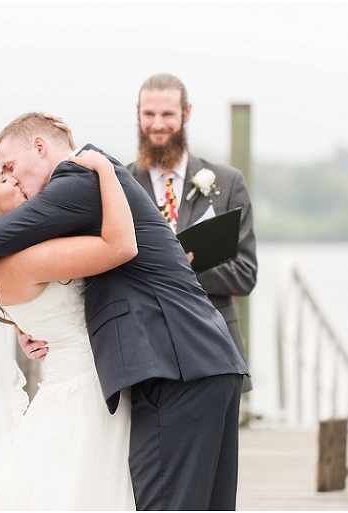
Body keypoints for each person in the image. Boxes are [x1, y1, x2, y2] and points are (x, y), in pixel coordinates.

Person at [0, 113, 249, 510]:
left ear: (40, 147)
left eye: (10, 166)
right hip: (197, 362)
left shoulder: (80, 179)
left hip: (178, 369)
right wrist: (33, 323)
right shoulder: (82, 180)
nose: (12, 178)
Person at [0, 148, 137, 509]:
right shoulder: (19, 259)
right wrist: (105, 168)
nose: (13, 178)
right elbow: (118, 246)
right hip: (90, 394)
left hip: (79, 383)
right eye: (2, 178)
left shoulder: (6, 255)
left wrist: (24, 328)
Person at [127, 73, 257, 393]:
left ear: (186, 113)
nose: (157, 124)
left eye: (168, 114)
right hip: (143, 356)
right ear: (138, 113)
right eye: (149, 114)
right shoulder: (119, 185)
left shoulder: (228, 183)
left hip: (215, 352)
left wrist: (187, 266)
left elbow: (245, 275)